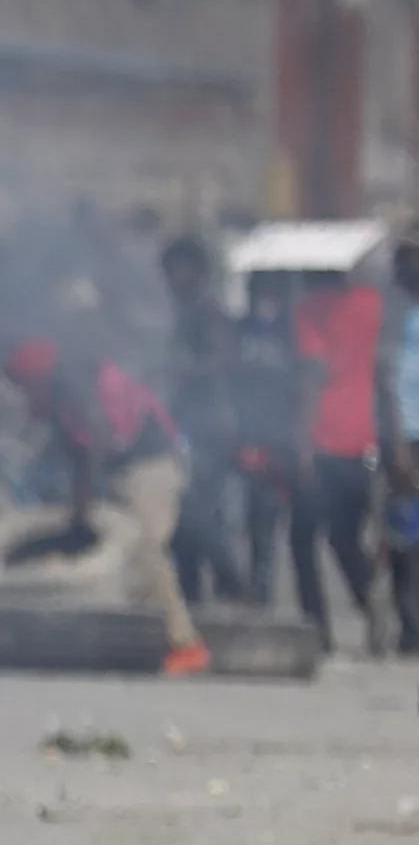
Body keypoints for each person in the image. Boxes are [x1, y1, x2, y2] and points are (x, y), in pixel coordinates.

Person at [1, 336, 210, 675]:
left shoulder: (75, 387)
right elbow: (74, 450)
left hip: (150, 465)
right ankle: (140, 641)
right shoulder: (55, 399)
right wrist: (79, 502)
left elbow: (97, 436)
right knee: (113, 552)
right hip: (120, 468)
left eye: (23, 386)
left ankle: (186, 645)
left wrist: (88, 489)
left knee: (145, 549)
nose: (21, 395)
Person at [293, 270, 389, 655]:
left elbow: (312, 376)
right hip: (362, 439)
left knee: (302, 539)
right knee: (345, 537)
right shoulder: (371, 303)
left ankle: (316, 630)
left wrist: (302, 443)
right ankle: (370, 600)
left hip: (324, 441)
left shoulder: (309, 311)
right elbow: (381, 369)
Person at [159, 236, 248, 605]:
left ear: (197, 271)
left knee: (198, 513)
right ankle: (191, 596)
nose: (175, 277)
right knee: (181, 519)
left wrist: (183, 371)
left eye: (182, 268)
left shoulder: (209, 313)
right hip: (182, 425)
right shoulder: (176, 313)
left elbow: (223, 361)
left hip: (210, 427)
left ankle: (234, 584)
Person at [231, 273, 315, 608]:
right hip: (253, 443)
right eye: (259, 292)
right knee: (259, 532)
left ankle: (313, 615)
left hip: (290, 443)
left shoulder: (296, 333)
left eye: (272, 292)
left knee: (303, 538)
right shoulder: (237, 332)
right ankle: (260, 603)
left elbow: (305, 388)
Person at [377, 229, 419, 651]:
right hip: (408, 436)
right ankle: (411, 628)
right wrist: (400, 443)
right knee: (408, 535)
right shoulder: (394, 312)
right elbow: (387, 381)